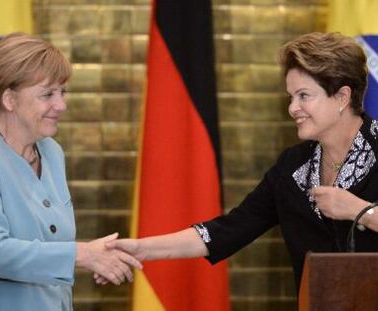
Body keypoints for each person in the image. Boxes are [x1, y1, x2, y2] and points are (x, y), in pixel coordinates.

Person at [100, 32, 378, 290]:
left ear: (342, 96)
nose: (293, 108)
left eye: (304, 96)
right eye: (291, 97)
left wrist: (362, 212)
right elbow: (228, 230)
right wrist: (142, 249)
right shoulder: (292, 167)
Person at [0, 32, 141, 311]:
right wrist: (81, 255)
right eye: (48, 94)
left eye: (62, 92)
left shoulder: (52, 152)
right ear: (9, 99)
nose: (61, 105)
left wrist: (96, 254)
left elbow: (53, 244)